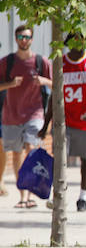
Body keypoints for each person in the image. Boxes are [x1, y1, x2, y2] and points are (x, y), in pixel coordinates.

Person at [38, 33, 86, 212]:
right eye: (75, 40)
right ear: (69, 43)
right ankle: (57, 194)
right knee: (59, 158)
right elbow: (54, 96)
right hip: (64, 121)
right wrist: (45, 125)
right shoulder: (60, 64)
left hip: (85, 121)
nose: (79, 43)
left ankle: (82, 197)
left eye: (82, 40)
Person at [0, 25, 51, 209]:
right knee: (16, 155)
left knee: (31, 149)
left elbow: (56, 84)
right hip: (11, 115)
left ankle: (30, 195)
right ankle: (22, 196)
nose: (24, 40)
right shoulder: (7, 62)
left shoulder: (40, 61)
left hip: (34, 113)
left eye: (27, 37)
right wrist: (10, 84)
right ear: (15, 39)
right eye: (20, 36)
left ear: (32, 39)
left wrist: (44, 81)